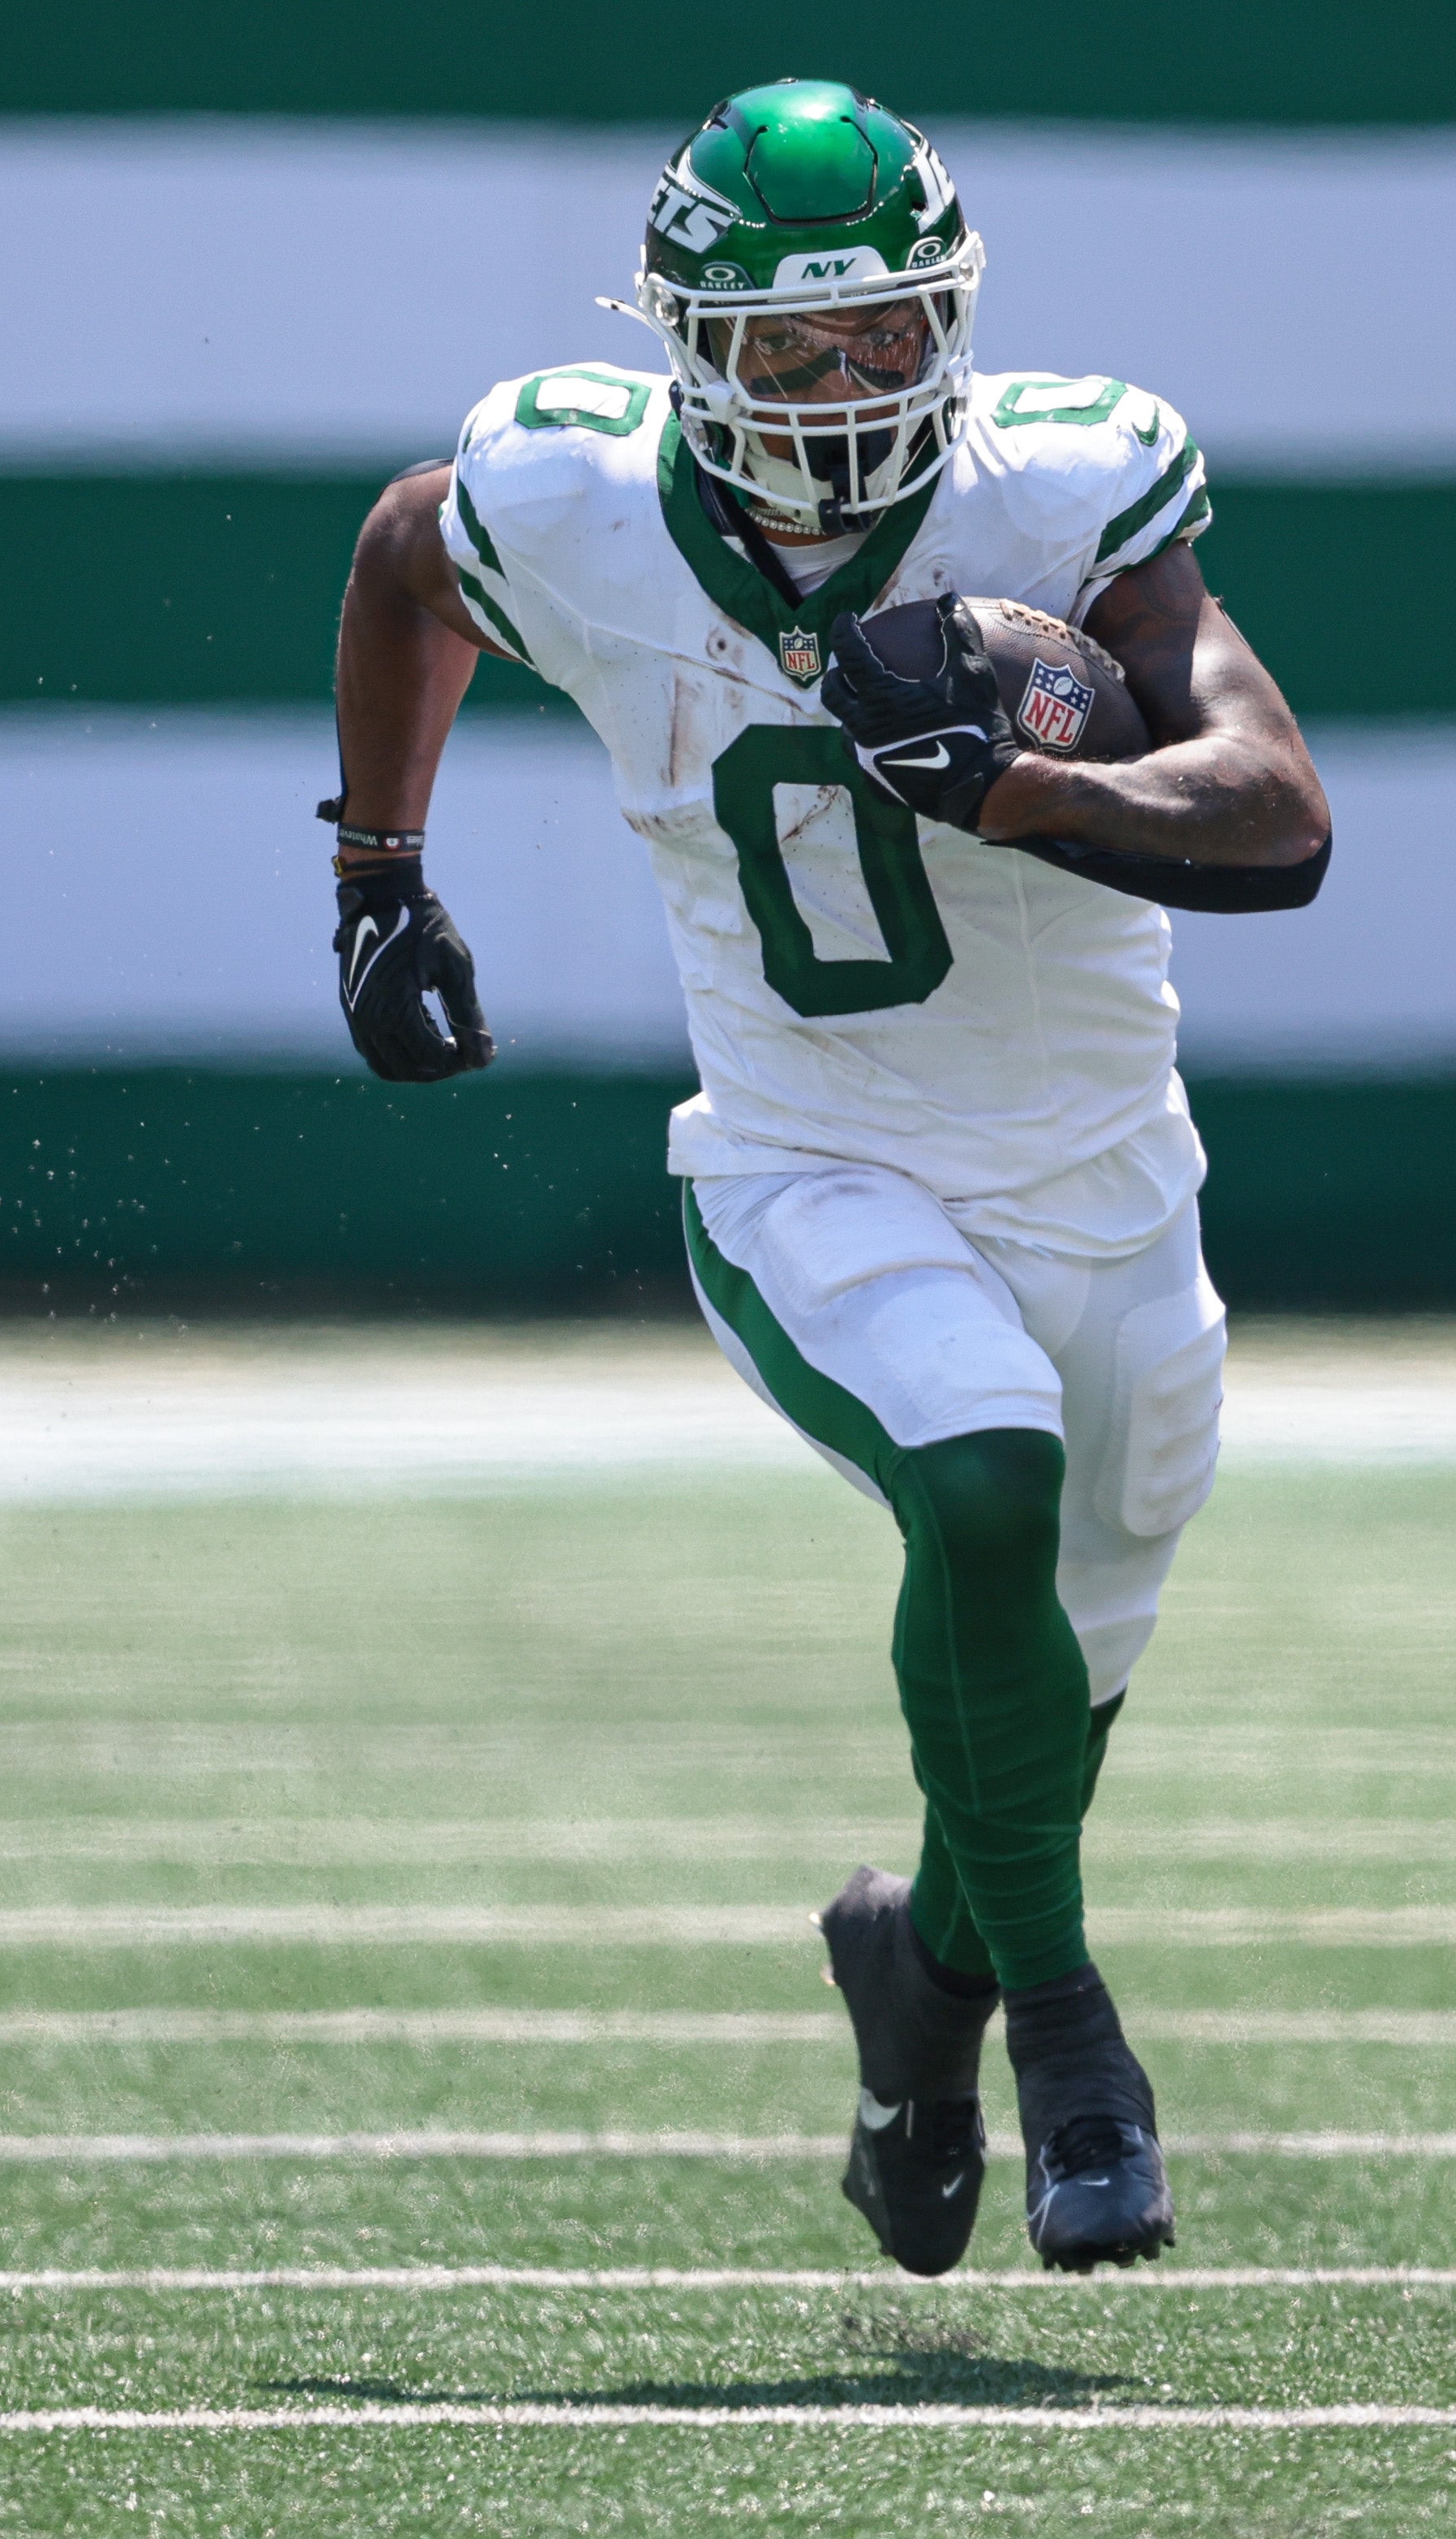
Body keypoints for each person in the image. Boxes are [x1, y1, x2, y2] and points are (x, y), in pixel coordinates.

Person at [323, 79, 1330, 2277]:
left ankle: (926, 1983)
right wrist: (377, 871)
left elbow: (1278, 812)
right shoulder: (571, 491)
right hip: (805, 1159)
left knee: (1050, 1682)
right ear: (690, 341)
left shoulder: (1062, 497)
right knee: (977, 1475)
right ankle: (1068, 2046)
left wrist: (1035, 788)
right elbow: (411, 553)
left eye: (888, 337)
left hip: (1106, 1179)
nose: (852, 387)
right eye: (796, 349)